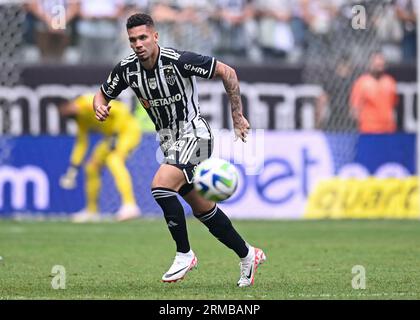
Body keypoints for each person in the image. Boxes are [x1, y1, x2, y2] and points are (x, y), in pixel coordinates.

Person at [93, 13, 266, 287]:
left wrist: (237, 115)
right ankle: (248, 254)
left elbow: (227, 71)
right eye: (133, 40)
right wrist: (99, 106)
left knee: (160, 186)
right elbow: (103, 93)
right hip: (169, 143)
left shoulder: (179, 61)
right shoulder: (127, 70)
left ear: (155, 36)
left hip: (195, 136)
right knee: (203, 209)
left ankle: (184, 254)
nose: (138, 44)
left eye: (143, 37)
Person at [59, 93, 142, 222]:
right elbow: (81, 143)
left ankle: (130, 205)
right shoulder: (79, 117)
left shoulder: (87, 103)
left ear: (73, 103)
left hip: (127, 132)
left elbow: (121, 111)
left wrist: (115, 134)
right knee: (91, 167)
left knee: (114, 160)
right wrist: (73, 167)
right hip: (111, 137)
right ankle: (92, 211)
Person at [350, 52, 399, 133]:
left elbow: (394, 104)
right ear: (370, 64)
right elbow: (355, 108)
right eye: (376, 65)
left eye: (381, 65)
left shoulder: (390, 81)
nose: (379, 67)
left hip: (388, 128)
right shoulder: (362, 82)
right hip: (369, 129)